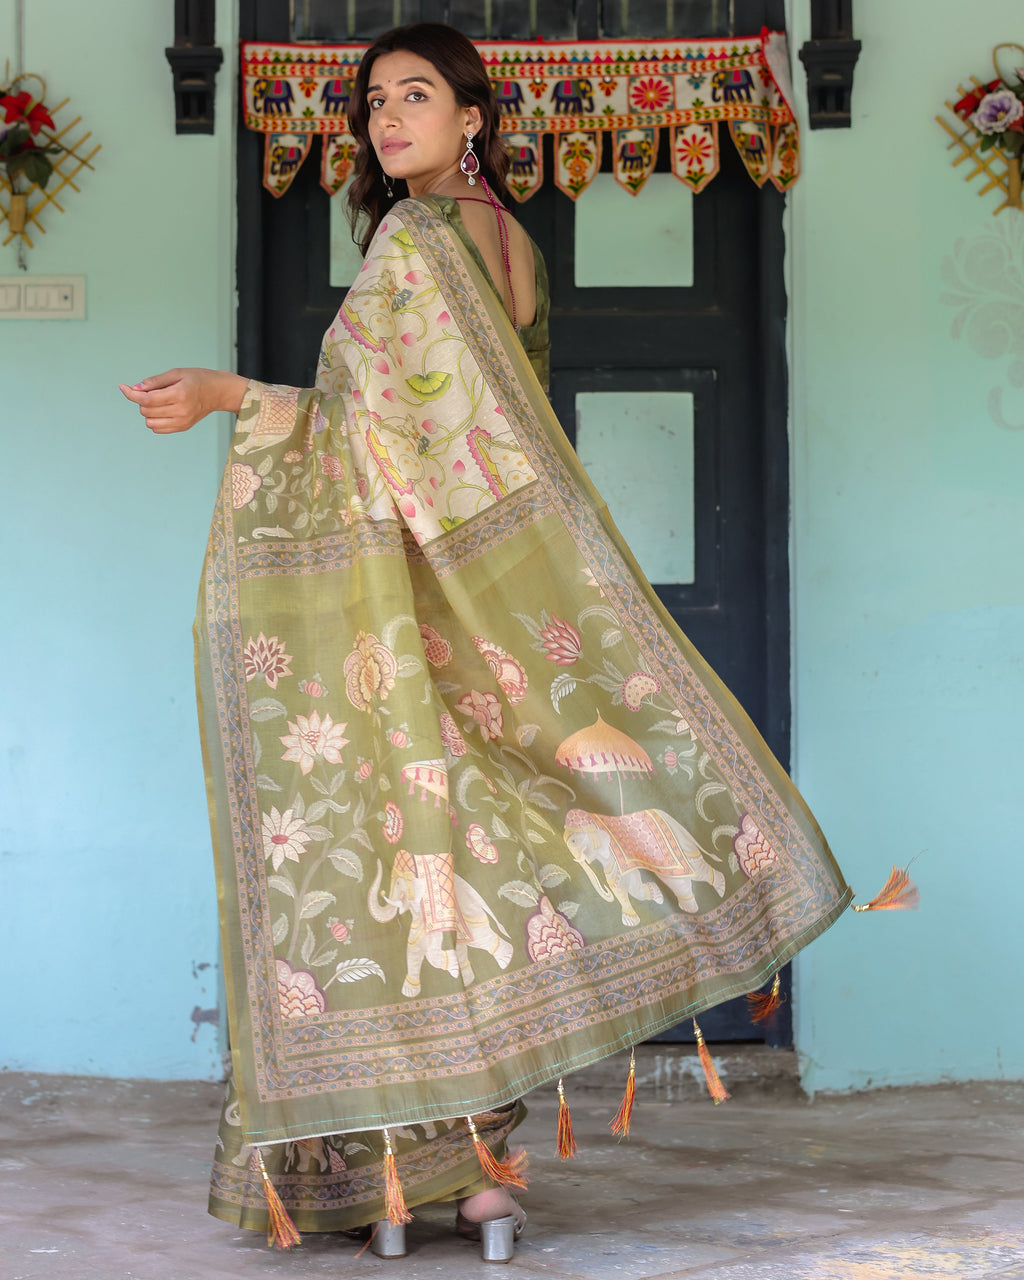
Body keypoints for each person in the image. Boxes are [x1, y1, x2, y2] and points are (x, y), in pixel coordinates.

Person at [120, 22, 851, 1263]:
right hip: (484, 600)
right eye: (370, 103)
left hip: (412, 610)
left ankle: (419, 1173)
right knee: (474, 860)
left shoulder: (421, 241)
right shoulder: (504, 241)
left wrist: (230, 394)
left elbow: (369, 430)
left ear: (474, 119)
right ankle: (481, 1177)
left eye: (416, 96)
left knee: (398, 858)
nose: (385, 119)